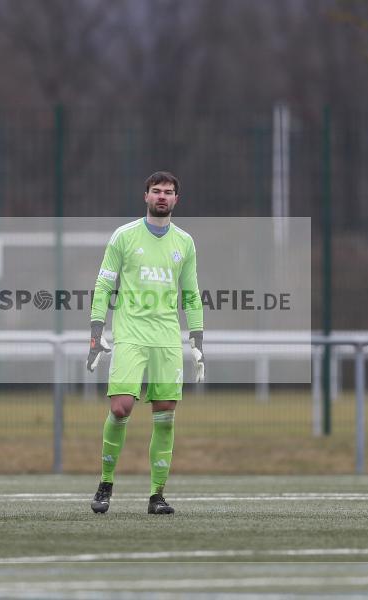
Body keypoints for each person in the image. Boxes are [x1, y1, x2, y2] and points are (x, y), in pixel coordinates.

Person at [86, 170, 204, 515]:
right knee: (120, 407)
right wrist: (96, 332)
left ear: (176, 199)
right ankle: (106, 482)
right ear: (146, 196)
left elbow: (192, 294)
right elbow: (104, 285)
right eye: (156, 191)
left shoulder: (185, 242)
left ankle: (157, 495)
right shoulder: (124, 237)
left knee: (165, 412)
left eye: (168, 192)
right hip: (132, 334)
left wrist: (197, 337)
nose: (162, 196)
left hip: (166, 338)